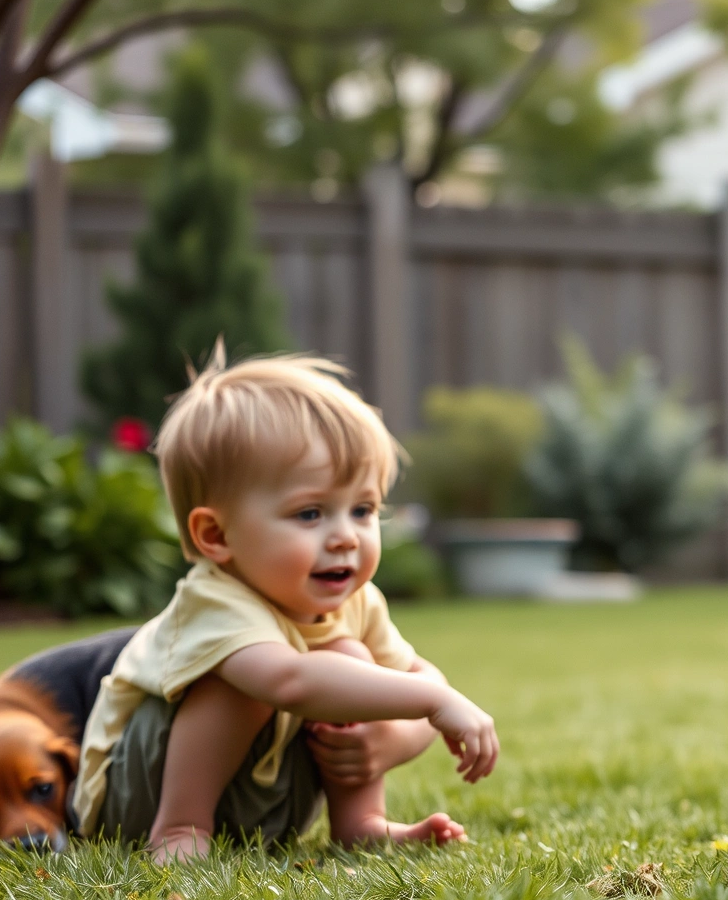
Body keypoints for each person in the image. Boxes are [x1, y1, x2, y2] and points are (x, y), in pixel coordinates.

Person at [69, 348, 499, 862]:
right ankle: (181, 829)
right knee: (247, 678)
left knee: (351, 660)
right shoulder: (215, 600)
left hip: (267, 806)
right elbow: (289, 682)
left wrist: (392, 738)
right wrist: (432, 702)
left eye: (363, 509)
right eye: (311, 513)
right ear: (216, 534)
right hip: (137, 796)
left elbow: (413, 675)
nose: (345, 537)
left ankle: (361, 823)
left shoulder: (357, 602)